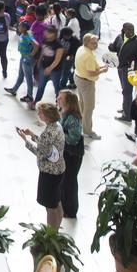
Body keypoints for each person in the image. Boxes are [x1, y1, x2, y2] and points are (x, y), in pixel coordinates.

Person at [18, 102, 66, 228]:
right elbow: (48, 147)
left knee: (50, 206)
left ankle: (51, 233)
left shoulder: (47, 133)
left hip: (49, 173)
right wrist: (33, 135)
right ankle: (57, 229)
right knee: (57, 201)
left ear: (47, 115)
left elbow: (40, 152)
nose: (38, 114)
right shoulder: (57, 127)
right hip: (59, 169)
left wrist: (25, 140)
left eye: (40, 112)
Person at [57, 90, 85, 218]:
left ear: (68, 102)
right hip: (66, 153)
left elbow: (73, 138)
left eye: (61, 98)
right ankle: (64, 206)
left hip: (72, 155)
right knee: (65, 181)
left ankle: (70, 210)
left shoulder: (73, 117)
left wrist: (59, 134)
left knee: (69, 182)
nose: (58, 99)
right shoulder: (65, 113)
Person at [109, 24, 137, 122]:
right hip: (119, 67)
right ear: (123, 30)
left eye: (132, 30)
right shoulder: (120, 37)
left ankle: (127, 115)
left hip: (128, 70)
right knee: (124, 89)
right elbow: (115, 48)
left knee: (127, 91)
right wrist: (111, 47)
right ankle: (126, 108)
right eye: (128, 30)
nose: (130, 32)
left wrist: (133, 68)